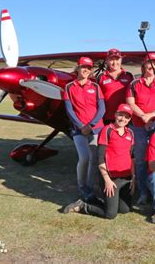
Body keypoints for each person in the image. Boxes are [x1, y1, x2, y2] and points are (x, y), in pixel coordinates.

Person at [63, 104, 135, 219]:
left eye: (127, 117)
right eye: (121, 115)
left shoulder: (130, 133)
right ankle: (83, 206)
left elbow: (131, 157)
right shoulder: (107, 130)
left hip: (125, 179)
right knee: (110, 214)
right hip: (111, 179)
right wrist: (107, 180)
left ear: (130, 119)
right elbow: (100, 157)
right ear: (115, 114)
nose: (123, 119)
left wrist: (133, 177)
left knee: (125, 210)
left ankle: (94, 199)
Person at [126, 53, 155, 205]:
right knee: (140, 160)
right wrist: (143, 116)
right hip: (139, 126)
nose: (151, 66)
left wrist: (153, 114)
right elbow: (131, 103)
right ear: (144, 65)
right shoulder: (134, 83)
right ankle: (143, 192)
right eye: (148, 63)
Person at [63, 56, 105, 202]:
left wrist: (91, 125)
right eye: (83, 67)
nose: (86, 70)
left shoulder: (96, 87)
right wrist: (81, 126)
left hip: (96, 128)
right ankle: (81, 185)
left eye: (88, 67)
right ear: (78, 68)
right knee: (84, 158)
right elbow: (69, 110)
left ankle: (90, 186)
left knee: (94, 159)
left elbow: (102, 109)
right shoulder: (69, 87)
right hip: (78, 129)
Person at [98, 48, 134, 124]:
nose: (114, 62)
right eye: (111, 60)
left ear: (121, 60)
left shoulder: (129, 76)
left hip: (125, 117)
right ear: (107, 61)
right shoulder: (101, 77)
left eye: (117, 59)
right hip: (107, 117)